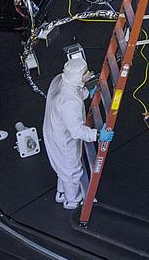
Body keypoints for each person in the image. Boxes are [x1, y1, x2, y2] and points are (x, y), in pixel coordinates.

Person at [43, 55, 109, 210]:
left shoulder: (60, 80)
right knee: (71, 169)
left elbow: (74, 90)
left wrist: (86, 93)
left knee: (62, 168)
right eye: (84, 73)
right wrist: (98, 135)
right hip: (63, 139)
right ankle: (72, 201)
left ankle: (61, 193)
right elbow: (76, 131)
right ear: (77, 76)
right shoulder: (69, 102)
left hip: (53, 130)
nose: (88, 74)